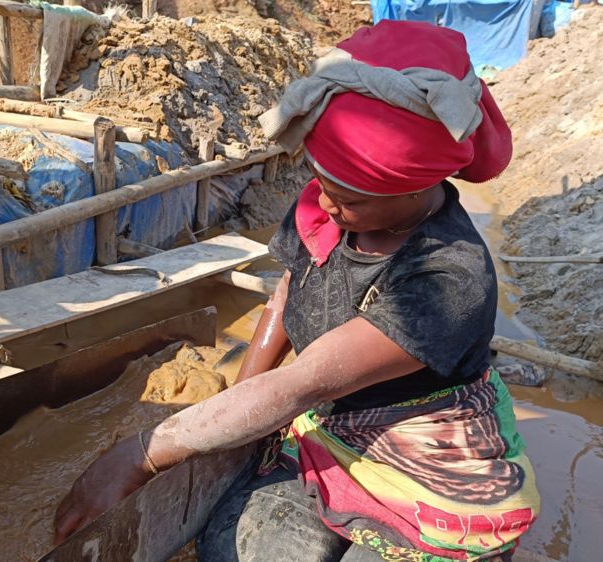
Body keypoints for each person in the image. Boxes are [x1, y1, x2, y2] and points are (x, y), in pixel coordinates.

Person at [53, 20, 540, 562]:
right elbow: (289, 297)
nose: (327, 205)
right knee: (237, 549)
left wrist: (140, 454)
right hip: (328, 432)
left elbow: (303, 384)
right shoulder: (326, 208)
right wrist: (232, 417)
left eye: (350, 197)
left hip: (430, 462)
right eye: (322, 182)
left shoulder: (449, 278)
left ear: (416, 187)